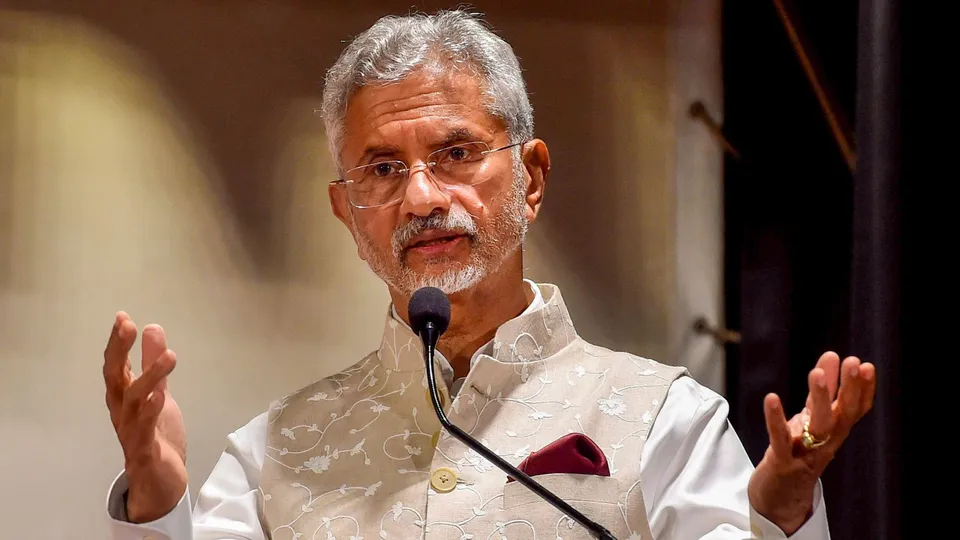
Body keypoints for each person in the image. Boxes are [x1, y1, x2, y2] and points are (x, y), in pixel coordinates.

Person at [102, 10, 876, 540]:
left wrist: (778, 514)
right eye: (381, 168)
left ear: (532, 179)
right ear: (347, 213)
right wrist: (159, 499)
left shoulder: (667, 421)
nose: (422, 197)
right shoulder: (270, 451)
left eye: (456, 153)